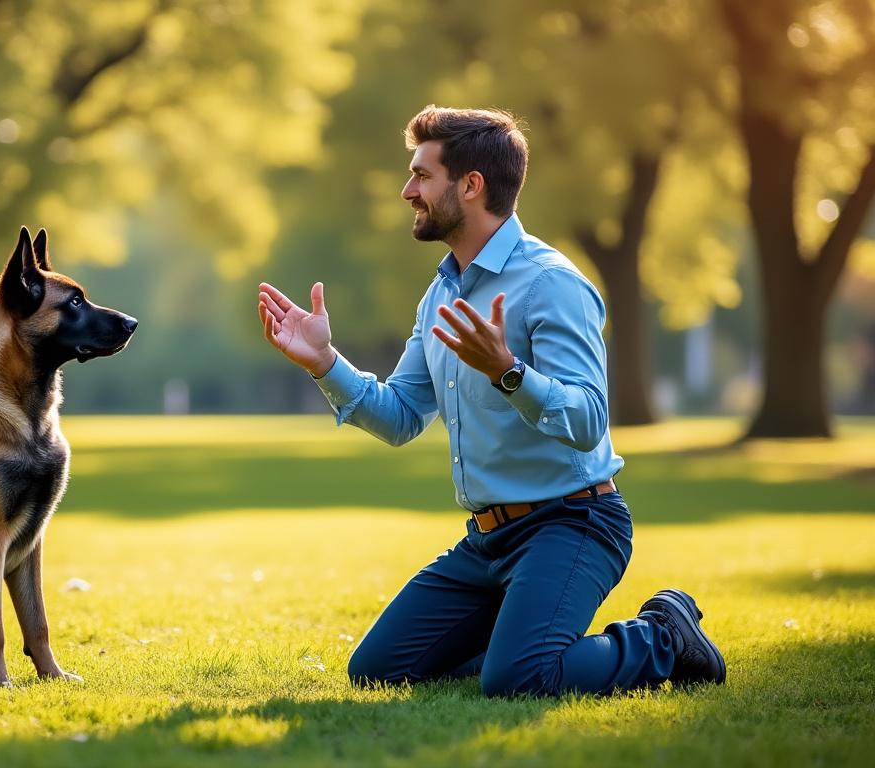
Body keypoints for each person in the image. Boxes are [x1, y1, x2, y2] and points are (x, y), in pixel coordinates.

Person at [256, 105, 725, 696]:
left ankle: (663, 635)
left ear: (471, 185)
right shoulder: (441, 294)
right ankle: (516, 633)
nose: (408, 190)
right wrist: (325, 362)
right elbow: (401, 416)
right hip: (487, 540)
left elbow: (588, 420)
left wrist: (510, 373)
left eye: (422, 175)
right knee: (375, 670)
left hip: (574, 523)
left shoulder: (551, 283)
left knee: (520, 680)